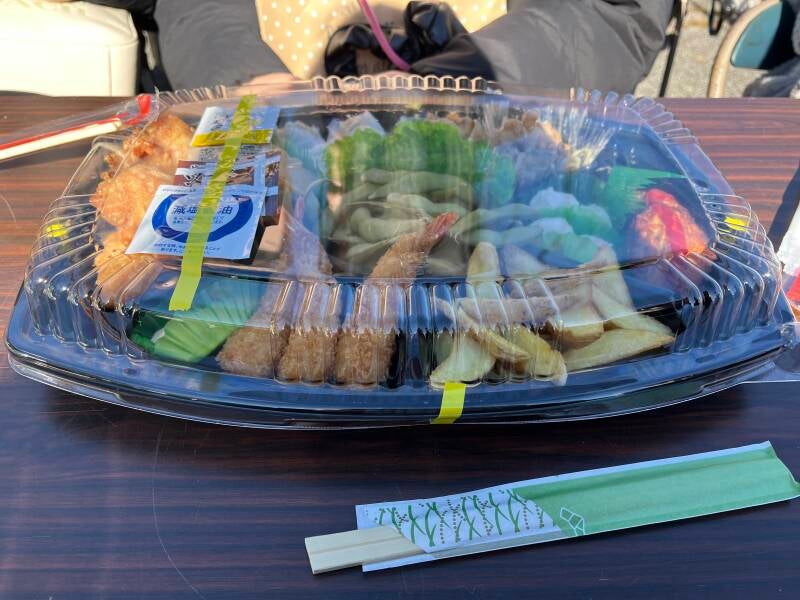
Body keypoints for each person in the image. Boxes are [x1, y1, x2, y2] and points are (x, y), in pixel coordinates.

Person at [55, 0, 675, 94]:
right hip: (245, 157)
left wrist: (467, 81)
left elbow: (612, 12)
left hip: (502, 160)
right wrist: (242, 78)